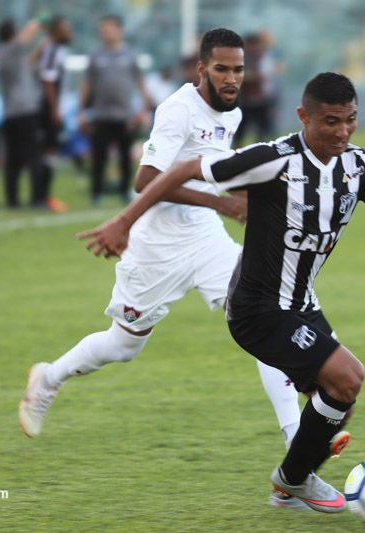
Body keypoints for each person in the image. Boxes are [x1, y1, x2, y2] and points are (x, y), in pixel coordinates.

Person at [77, 72, 365, 513]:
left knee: (337, 404)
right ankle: (293, 480)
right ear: (304, 117)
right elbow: (182, 170)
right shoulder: (273, 160)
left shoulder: (359, 166)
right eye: (330, 121)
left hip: (302, 305)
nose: (342, 131)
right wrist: (124, 221)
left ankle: (288, 486)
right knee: (347, 376)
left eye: (350, 120)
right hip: (256, 307)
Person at [19, 28, 314, 507]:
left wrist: (238, 194)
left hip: (205, 240)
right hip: (155, 249)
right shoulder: (176, 110)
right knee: (122, 347)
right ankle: (47, 380)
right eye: (221, 68)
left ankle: (297, 448)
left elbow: (213, 169)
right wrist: (222, 204)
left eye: (238, 68)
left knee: (262, 319)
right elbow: (145, 178)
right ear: (201, 69)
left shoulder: (233, 111)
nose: (232, 77)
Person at [79, 15, 154, 205]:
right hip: (101, 114)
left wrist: (144, 109)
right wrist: (81, 110)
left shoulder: (130, 55)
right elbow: (86, 84)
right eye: (103, 29)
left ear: (120, 31)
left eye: (109, 29)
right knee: (99, 157)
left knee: (124, 156)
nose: (105, 33)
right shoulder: (95, 56)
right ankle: (96, 192)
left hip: (124, 115)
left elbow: (140, 83)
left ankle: (124, 191)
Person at [0, 18, 44, 208]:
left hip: (11, 113)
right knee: (33, 155)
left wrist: (43, 45)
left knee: (14, 158)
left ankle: (12, 199)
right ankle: (38, 198)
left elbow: (28, 60)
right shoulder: (10, 49)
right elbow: (27, 35)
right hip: (24, 111)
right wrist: (37, 22)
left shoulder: (5, 54)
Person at [35, 16, 72, 211]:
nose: (70, 32)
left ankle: (44, 196)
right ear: (56, 32)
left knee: (50, 152)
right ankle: (41, 197)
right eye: (66, 28)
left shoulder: (56, 49)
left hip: (53, 108)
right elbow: (47, 80)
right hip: (49, 109)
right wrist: (55, 109)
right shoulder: (52, 50)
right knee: (48, 151)